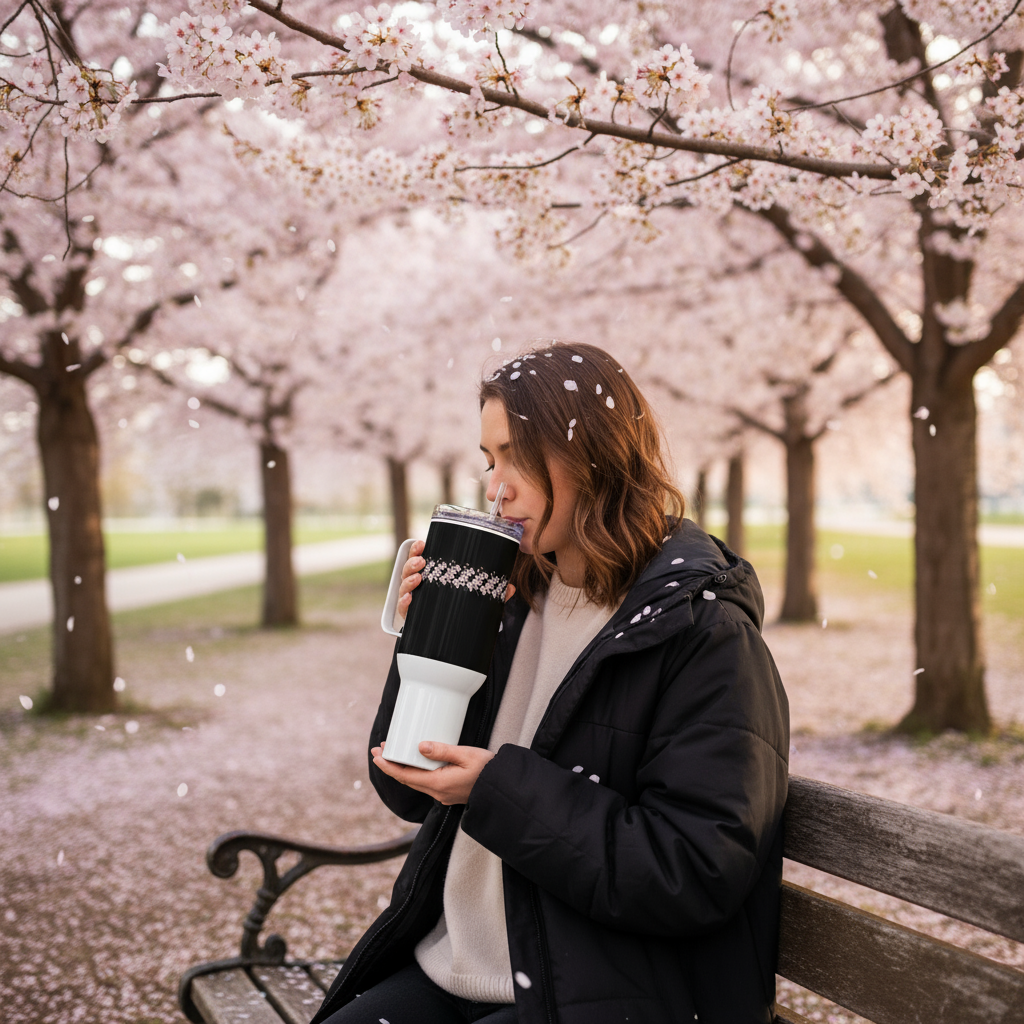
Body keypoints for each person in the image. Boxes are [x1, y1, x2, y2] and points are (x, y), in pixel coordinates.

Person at [311, 342, 789, 1024]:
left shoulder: (702, 631)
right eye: (489, 460)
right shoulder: (511, 598)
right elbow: (406, 789)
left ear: (593, 453)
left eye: (518, 457)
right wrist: (427, 647)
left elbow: (693, 869)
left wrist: (498, 790)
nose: (496, 487)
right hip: (450, 968)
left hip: (593, 993)